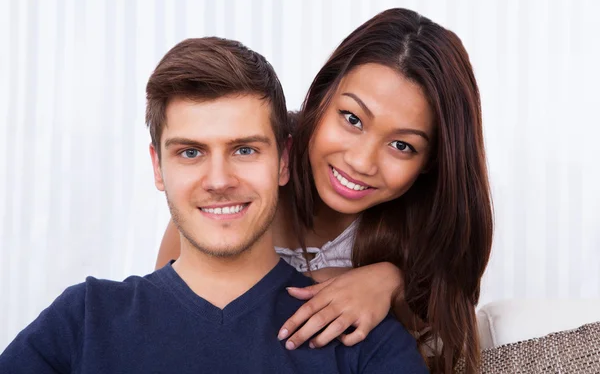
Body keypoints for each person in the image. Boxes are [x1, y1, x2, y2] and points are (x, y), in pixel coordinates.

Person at [0, 37, 428, 373]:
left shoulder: (361, 339)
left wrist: (391, 278)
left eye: (244, 150)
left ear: (283, 160)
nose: (219, 181)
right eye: (190, 152)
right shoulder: (85, 319)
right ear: (158, 167)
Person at [156, 8, 493, 374]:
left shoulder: (424, 231)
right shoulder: (240, 188)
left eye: (402, 146)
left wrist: (392, 284)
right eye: (352, 119)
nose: (362, 162)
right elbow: (165, 324)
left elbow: (440, 329)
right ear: (321, 97)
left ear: (431, 161)